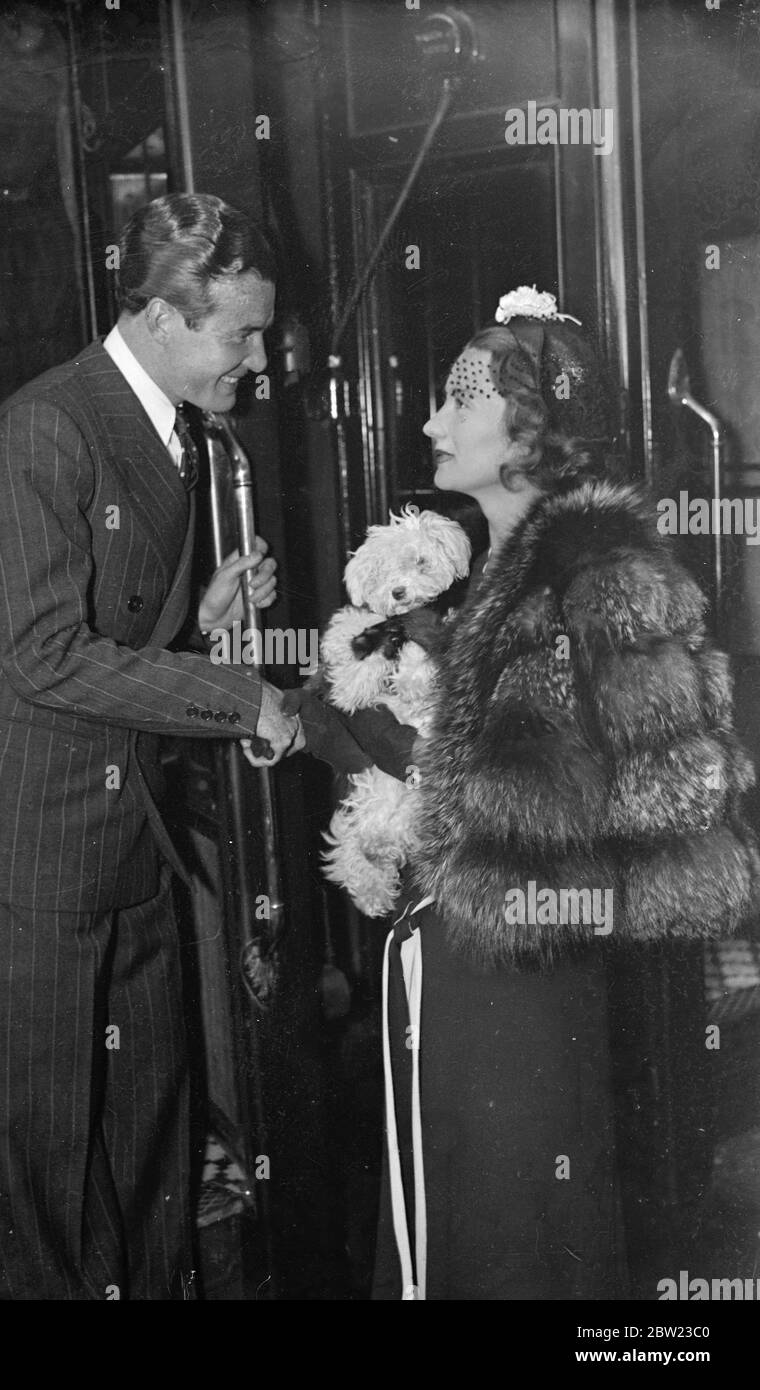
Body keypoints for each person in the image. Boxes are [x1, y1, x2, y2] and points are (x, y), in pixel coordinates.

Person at [292, 287, 759, 1300]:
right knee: (477, 1224)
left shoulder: (589, 571)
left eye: (458, 399)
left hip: (514, 973)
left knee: (511, 1239)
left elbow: (639, 796)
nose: (429, 420)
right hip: (483, 960)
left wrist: (363, 738)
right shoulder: (510, 563)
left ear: (528, 428)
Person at [0, 193, 302, 1300]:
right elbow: (39, 655)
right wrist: (234, 693)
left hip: (120, 831)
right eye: (242, 336)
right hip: (18, 845)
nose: (259, 359)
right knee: (39, 1163)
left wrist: (192, 621)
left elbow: (103, 628)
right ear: (165, 317)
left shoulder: (158, 429)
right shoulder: (47, 428)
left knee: (147, 1138)